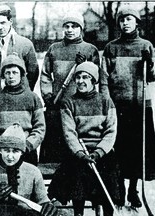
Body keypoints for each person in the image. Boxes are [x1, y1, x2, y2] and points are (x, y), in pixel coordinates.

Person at [48, 62, 120, 216]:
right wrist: (80, 153)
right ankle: (78, 213)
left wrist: (99, 152)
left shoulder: (106, 102)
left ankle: (108, 213)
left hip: (102, 152)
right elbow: (69, 133)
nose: (81, 81)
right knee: (77, 174)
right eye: (78, 77)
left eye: (86, 77)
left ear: (94, 81)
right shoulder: (69, 103)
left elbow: (110, 131)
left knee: (109, 175)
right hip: (79, 152)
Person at [101, 7, 155, 208]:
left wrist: (149, 63)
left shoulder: (146, 45)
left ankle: (134, 190)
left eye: (129, 19)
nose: (125, 23)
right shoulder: (111, 48)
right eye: (122, 20)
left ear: (136, 22)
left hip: (140, 106)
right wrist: (108, 103)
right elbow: (104, 79)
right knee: (118, 149)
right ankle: (120, 189)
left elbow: (152, 76)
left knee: (138, 149)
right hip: (117, 107)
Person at [39, 12, 102, 163]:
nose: (70, 29)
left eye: (74, 26)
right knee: (54, 152)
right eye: (67, 26)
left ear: (81, 28)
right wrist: (48, 96)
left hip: (80, 108)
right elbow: (45, 75)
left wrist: (84, 65)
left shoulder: (90, 49)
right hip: (57, 105)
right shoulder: (54, 49)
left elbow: (96, 77)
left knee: (77, 151)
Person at [0, 123, 60, 216]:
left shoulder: (33, 172)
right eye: (6, 150)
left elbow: (43, 201)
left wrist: (47, 207)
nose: (10, 156)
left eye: (15, 151)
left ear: (22, 152)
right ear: (0, 150)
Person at [0, 54, 45, 166]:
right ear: (3, 75)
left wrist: (27, 145)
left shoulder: (33, 98)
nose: (11, 76)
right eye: (7, 73)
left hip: (26, 149)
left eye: (14, 72)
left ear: (21, 74)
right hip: (2, 149)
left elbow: (39, 128)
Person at [0, 5, 39, 106]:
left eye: (3, 23)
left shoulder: (25, 44)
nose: (0, 27)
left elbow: (33, 72)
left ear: (10, 22)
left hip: (19, 97)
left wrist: (23, 89)